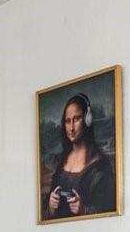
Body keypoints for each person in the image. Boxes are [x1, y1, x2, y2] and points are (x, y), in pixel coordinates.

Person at [42, 92, 116, 220]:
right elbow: (47, 215)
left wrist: (83, 210)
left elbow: (109, 210)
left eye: (76, 119)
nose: (71, 128)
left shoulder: (100, 165)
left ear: (87, 120)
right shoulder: (60, 162)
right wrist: (51, 205)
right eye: (67, 121)